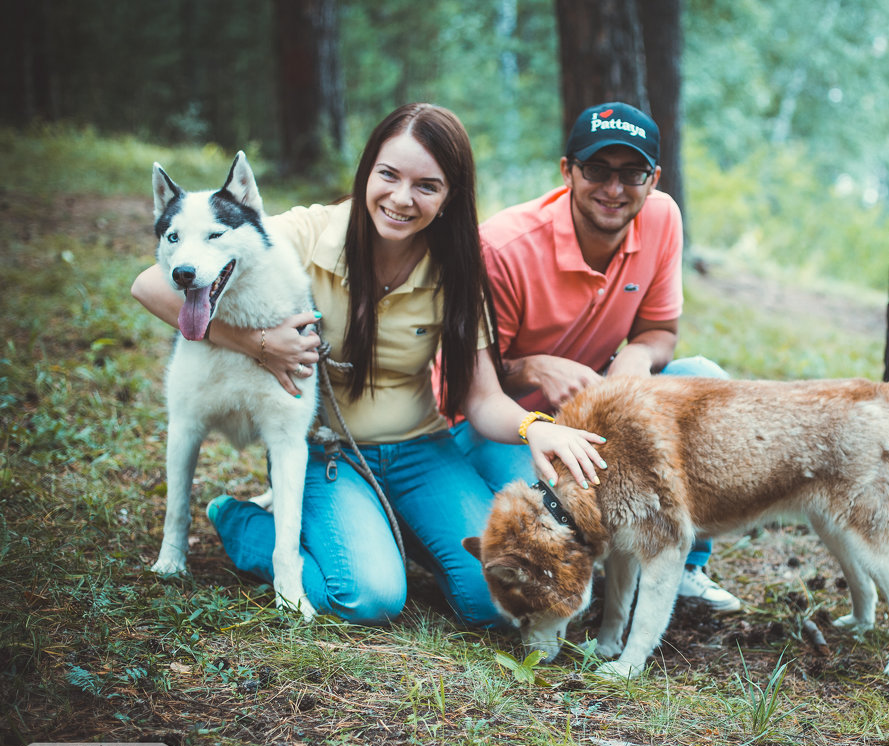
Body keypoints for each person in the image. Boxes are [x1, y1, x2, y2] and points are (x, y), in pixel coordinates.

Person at [131, 103, 606, 627]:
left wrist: (535, 428)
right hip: (328, 453)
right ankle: (244, 523)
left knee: (493, 599)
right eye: (389, 175)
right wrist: (259, 343)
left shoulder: (458, 267)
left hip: (421, 451)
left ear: (450, 196)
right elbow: (151, 285)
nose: (402, 198)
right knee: (367, 596)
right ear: (367, 172)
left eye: (427, 185)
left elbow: (482, 398)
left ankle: (387, 525)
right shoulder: (312, 232)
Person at [448, 101, 742, 613]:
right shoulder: (503, 248)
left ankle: (685, 566)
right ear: (568, 171)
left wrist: (637, 357)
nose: (613, 189)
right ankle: (586, 572)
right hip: (509, 421)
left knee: (704, 378)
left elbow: (659, 331)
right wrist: (534, 366)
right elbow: (472, 389)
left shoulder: (662, 217)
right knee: (545, 509)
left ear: (653, 178)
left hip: (600, 405)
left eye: (632, 173)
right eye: (597, 170)